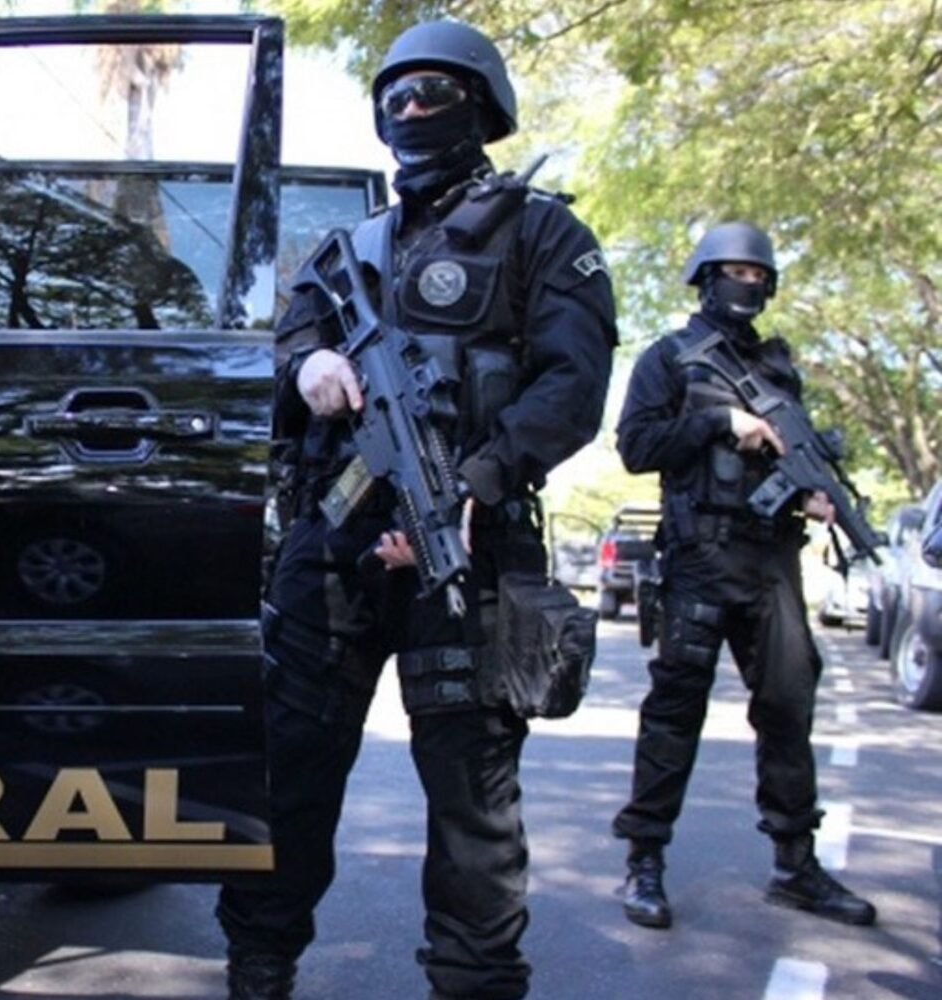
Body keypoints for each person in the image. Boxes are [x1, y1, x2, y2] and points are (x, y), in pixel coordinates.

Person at [217, 20, 616, 1000]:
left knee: (473, 801)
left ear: (481, 107)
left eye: (431, 91)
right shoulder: (346, 250)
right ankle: (258, 964)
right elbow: (279, 349)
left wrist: (480, 480)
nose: (410, 109)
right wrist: (308, 365)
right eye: (394, 95)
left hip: (466, 546)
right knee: (288, 773)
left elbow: (572, 387)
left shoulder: (546, 234)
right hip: (333, 549)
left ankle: (474, 982)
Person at [611, 221, 878, 930]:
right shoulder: (670, 358)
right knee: (675, 712)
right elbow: (636, 446)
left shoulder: (779, 369)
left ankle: (795, 865)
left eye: (758, 276)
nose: (747, 285)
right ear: (706, 279)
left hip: (771, 562)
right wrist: (719, 423)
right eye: (735, 273)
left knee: (789, 706)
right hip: (700, 557)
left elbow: (783, 462)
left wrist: (812, 496)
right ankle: (644, 861)